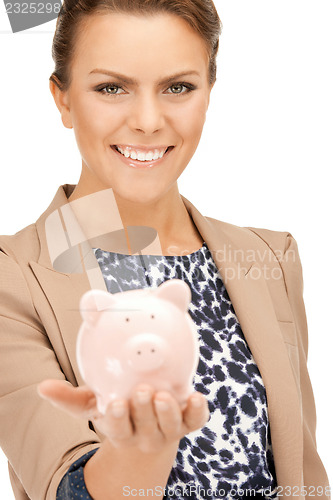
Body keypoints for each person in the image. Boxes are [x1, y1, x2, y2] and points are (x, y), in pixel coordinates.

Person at [0, 0, 330, 499]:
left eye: (178, 87)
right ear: (62, 99)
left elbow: (302, 469)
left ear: (208, 93)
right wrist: (146, 446)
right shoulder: (13, 276)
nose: (149, 121)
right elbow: (64, 486)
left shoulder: (270, 257)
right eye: (111, 88)